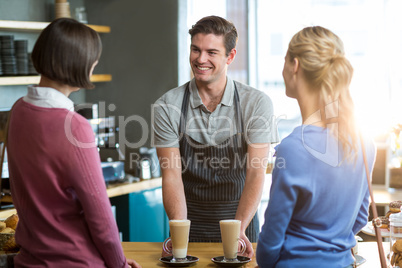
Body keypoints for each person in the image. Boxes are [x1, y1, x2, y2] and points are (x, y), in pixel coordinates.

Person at [7, 18, 141, 268]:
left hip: (28, 261)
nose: (95, 63)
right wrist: (120, 265)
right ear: (78, 63)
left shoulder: (17, 111)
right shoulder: (74, 127)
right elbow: (100, 217)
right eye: (93, 58)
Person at [152, 15, 278, 257]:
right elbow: (171, 175)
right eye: (195, 50)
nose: (201, 59)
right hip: (188, 226)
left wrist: (237, 231)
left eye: (211, 52)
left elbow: (255, 174)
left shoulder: (256, 103)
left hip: (241, 224)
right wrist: (179, 232)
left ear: (230, 56)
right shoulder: (168, 106)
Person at [256, 26, 376, 268]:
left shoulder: (292, 148)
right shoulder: (364, 143)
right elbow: (361, 217)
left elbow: (270, 243)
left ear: (295, 66)